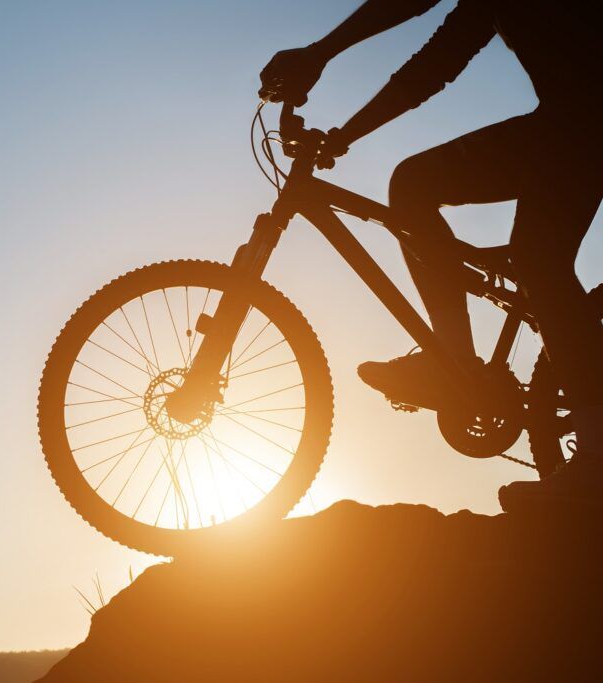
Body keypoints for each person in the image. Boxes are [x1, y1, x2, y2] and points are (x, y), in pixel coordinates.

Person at [258, 0, 603, 511]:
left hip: (584, 122)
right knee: (525, 255)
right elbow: (435, 63)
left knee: (516, 246)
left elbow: (420, 28)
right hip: (572, 123)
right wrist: (345, 133)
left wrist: (322, 53)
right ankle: (461, 364)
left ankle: (589, 456)